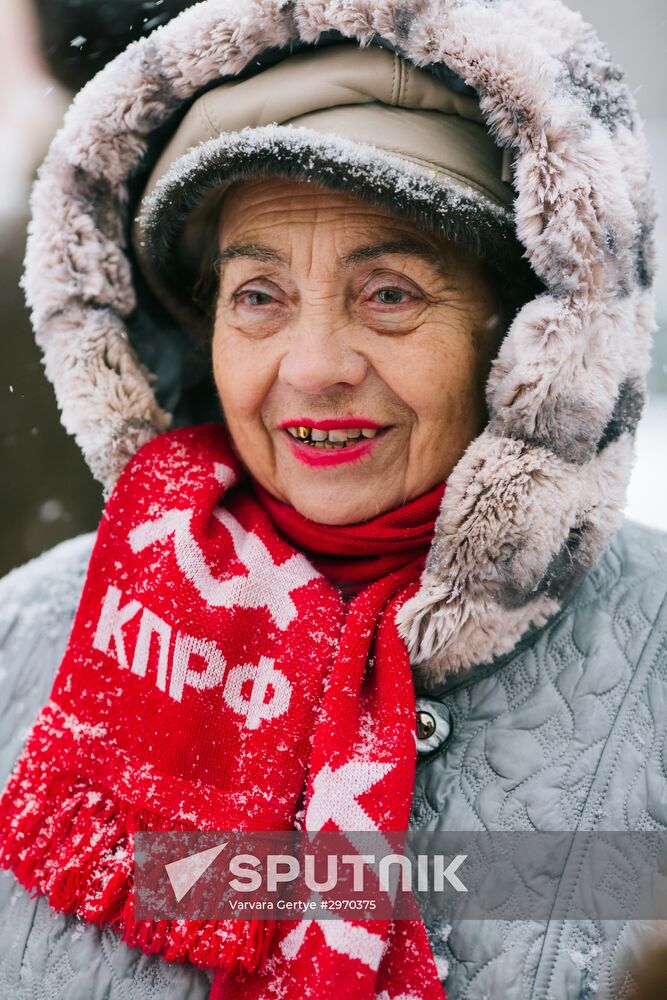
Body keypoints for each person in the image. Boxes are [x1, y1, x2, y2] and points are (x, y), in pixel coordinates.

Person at [0, 1, 664, 998]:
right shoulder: (23, 643)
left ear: (521, 336)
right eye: (257, 296)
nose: (311, 370)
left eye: (388, 291)